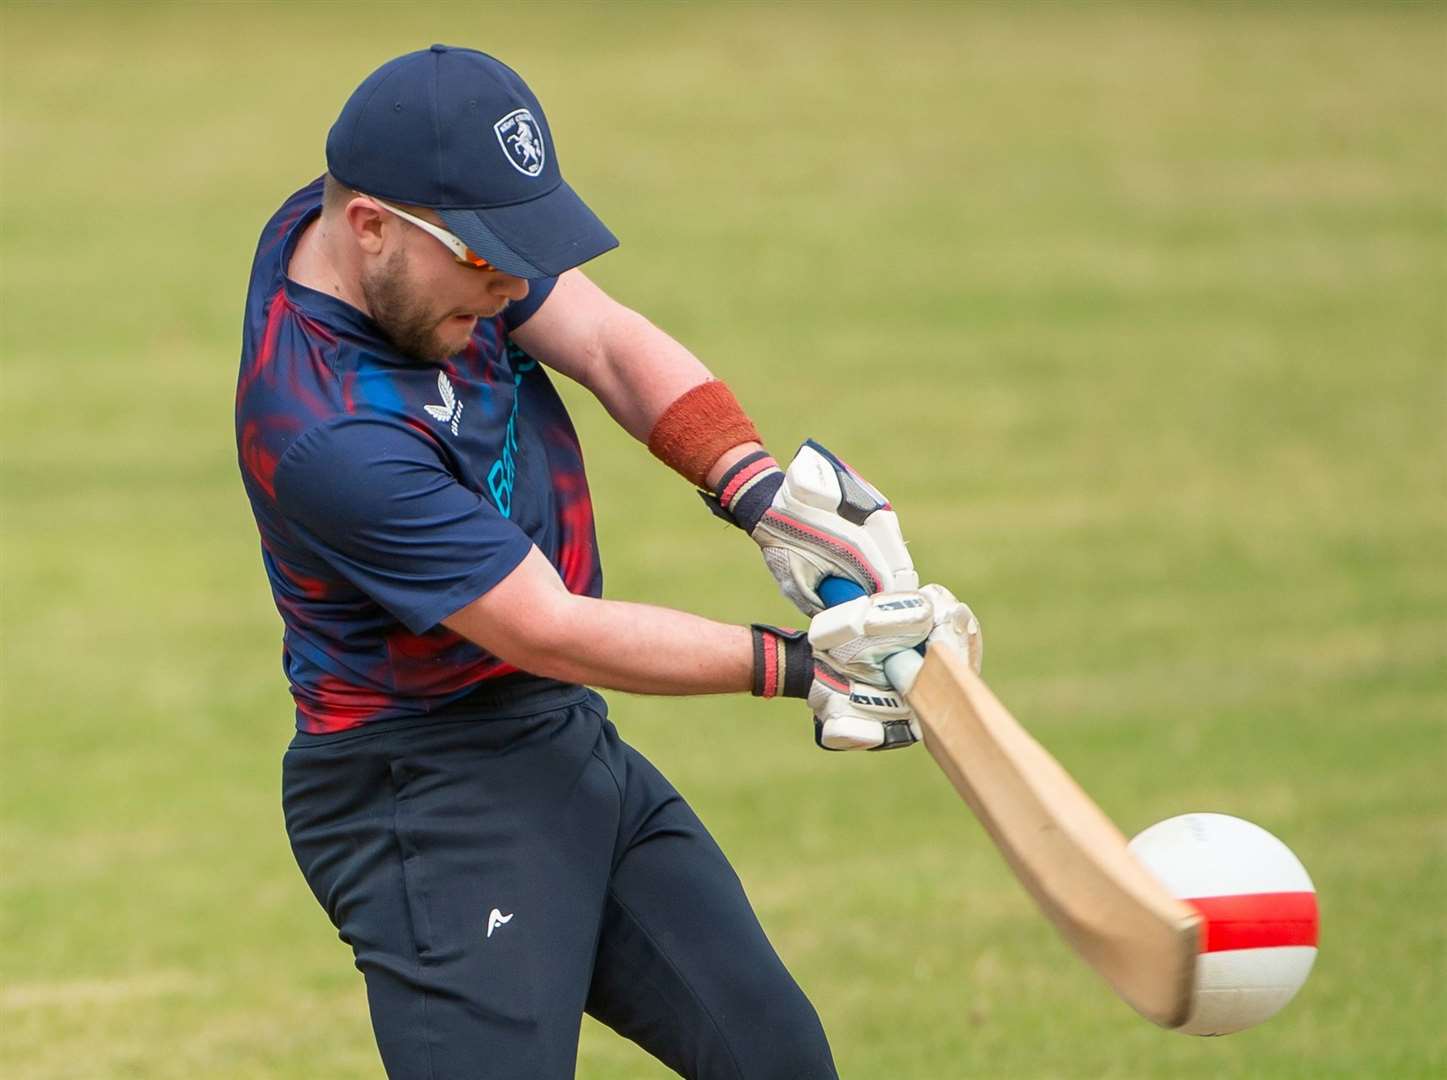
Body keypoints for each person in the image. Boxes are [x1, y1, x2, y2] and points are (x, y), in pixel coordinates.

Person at [235, 45, 980, 1080]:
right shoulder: (327, 432)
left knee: (776, 1060)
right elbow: (549, 625)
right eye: (483, 262)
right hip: (425, 798)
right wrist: (807, 664)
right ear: (370, 229)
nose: (506, 291)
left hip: (555, 736)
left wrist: (763, 498)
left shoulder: (383, 237)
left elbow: (604, 342)